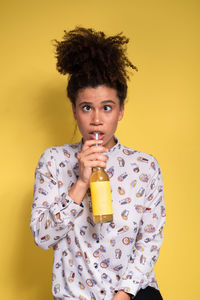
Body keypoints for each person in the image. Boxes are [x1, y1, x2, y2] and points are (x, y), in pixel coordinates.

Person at [30, 27, 166, 300]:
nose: (96, 120)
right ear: (74, 110)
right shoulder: (54, 161)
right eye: (86, 107)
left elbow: (149, 241)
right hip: (75, 295)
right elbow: (42, 237)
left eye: (106, 107)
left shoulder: (145, 167)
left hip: (132, 293)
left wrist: (125, 292)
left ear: (121, 110)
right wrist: (80, 183)